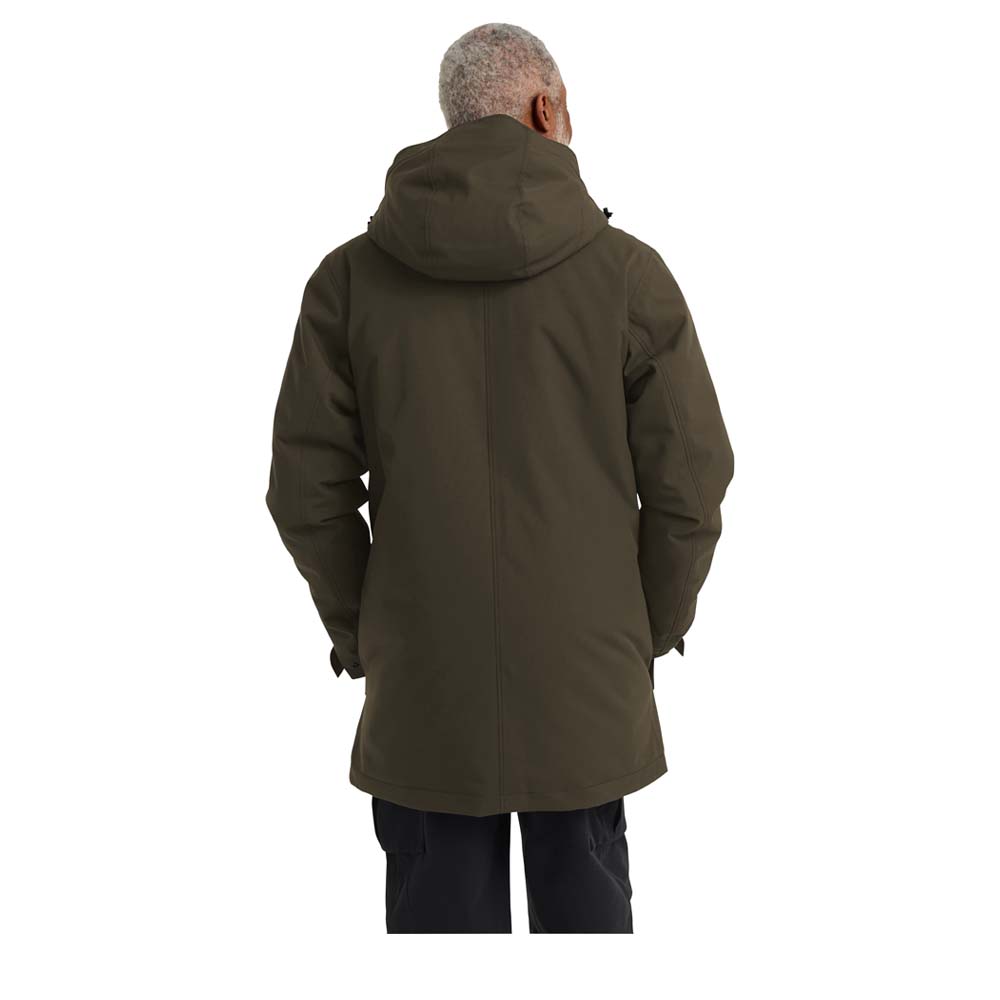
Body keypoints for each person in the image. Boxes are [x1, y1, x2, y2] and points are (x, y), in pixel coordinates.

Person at [266, 22, 734, 933]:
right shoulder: (628, 277)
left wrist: (369, 632)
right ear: (544, 109)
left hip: (424, 683)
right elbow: (691, 480)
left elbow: (305, 491)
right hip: (585, 684)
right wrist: (645, 628)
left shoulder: (348, 282)